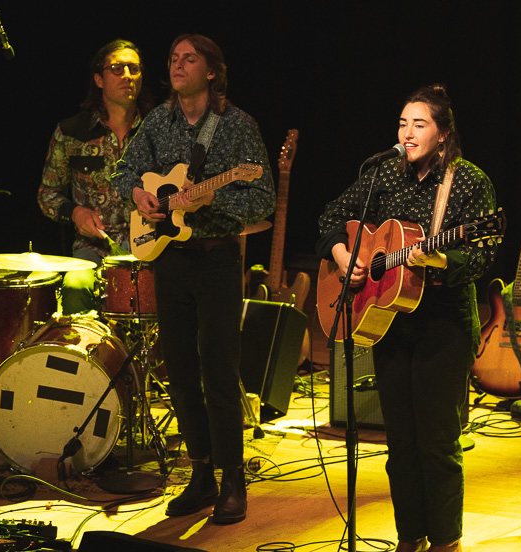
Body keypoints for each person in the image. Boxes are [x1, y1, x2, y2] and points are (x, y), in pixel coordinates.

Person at [317, 84, 497, 552]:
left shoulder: (469, 181)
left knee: (436, 441)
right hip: (390, 320)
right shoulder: (384, 174)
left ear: (443, 134)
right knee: (399, 442)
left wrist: (438, 261)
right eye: (403, 123)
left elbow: (482, 254)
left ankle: (445, 541)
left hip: (444, 323)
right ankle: (409, 537)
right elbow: (332, 214)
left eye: (420, 124)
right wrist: (343, 256)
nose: (408, 132)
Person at [113, 33, 274, 524]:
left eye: (190, 59)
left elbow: (263, 198)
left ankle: (232, 480)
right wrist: (139, 196)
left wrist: (213, 201)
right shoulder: (158, 121)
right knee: (180, 372)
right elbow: (125, 172)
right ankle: (200, 474)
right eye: (173, 59)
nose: (178, 66)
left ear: (211, 72)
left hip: (217, 260)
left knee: (219, 372)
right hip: (170, 260)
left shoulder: (237, 127)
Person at [38, 39, 153, 314]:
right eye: (117, 68)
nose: (127, 76)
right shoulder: (71, 132)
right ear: (99, 79)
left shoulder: (157, 130)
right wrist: (75, 213)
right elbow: (47, 194)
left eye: (134, 69)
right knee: (76, 287)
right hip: (94, 248)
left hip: (151, 246)